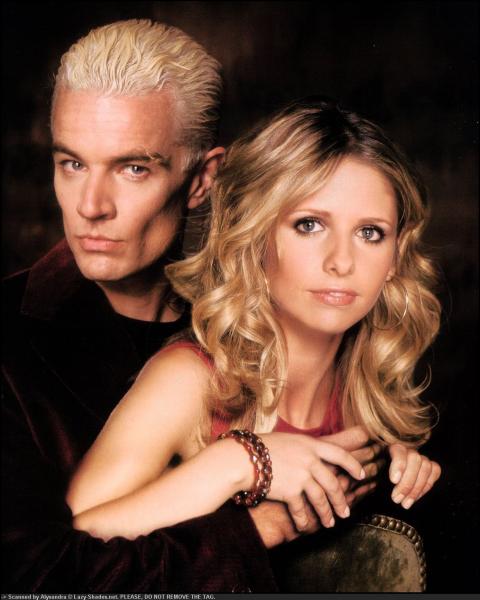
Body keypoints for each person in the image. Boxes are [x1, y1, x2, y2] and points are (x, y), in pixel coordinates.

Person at [1, 19, 359, 593]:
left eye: (132, 168)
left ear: (201, 180)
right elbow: (31, 579)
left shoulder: (262, 319)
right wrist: (252, 516)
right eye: (72, 164)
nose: (91, 205)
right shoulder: (8, 339)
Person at [64, 97, 442, 545]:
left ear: (395, 257)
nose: (341, 262)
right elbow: (75, 541)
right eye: (309, 225)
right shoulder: (190, 380)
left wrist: (400, 475)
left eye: (370, 233)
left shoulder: (366, 394)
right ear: (255, 237)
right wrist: (239, 461)